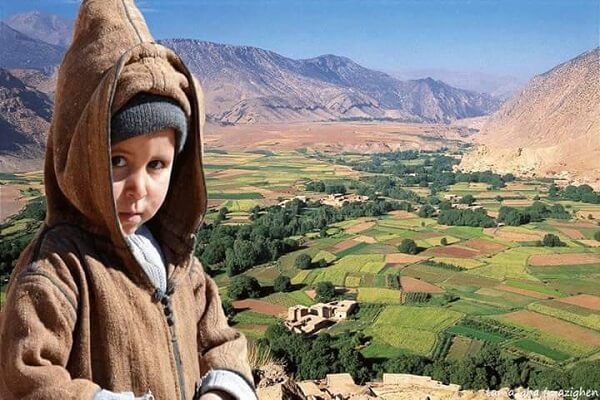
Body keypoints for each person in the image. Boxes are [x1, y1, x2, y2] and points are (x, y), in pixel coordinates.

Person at [0, 1, 257, 399]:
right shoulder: (57, 272)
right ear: (81, 159)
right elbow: (28, 378)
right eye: (118, 161)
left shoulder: (178, 262)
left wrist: (222, 390)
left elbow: (222, 341)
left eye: (157, 164)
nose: (139, 187)